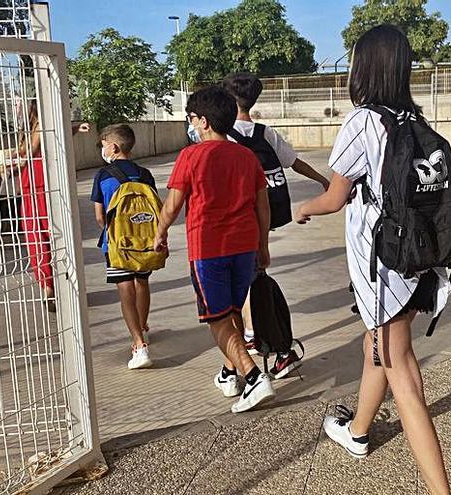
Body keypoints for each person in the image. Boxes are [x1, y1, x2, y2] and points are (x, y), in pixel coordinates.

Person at [294, 25, 451, 495]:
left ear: (364, 69)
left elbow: (335, 196)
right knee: (376, 347)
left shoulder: (363, 122)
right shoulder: (416, 120)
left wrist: (303, 208)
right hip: (415, 257)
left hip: (381, 265)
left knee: (401, 368)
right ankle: (358, 431)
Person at [153, 86, 276, 413]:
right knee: (231, 312)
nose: (191, 124)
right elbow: (263, 207)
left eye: (192, 118)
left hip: (209, 248)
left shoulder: (190, 156)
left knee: (217, 319)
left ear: (204, 121)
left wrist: (160, 233)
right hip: (245, 245)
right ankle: (229, 372)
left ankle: (253, 377)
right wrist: (262, 246)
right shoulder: (246, 156)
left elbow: (173, 204)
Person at [222, 72, 330, 378]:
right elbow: (293, 161)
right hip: (265, 214)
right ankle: (255, 333)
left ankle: (271, 341)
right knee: (253, 273)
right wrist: (322, 180)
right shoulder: (266, 133)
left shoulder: (224, 136)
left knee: (250, 278)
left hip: (241, 218)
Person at [3, 100, 90, 312]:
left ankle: (49, 286)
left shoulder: (38, 125)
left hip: (37, 185)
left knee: (39, 237)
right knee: (53, 234)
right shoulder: (42, 125)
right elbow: (35, 146)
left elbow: (33, 148)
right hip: (42, 184)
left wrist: (11, 160)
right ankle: (55, 285)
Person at [90, 124, 156, 370]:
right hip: (144, 241)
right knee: (142, 282)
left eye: (102, 144)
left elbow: (99, 216)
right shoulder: (144, 173)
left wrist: (114, 232)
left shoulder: (103, 175)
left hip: (117, 243)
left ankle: (138, 345)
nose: (102, 148)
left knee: (125, 287)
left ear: (113, 147)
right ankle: (143, 327)